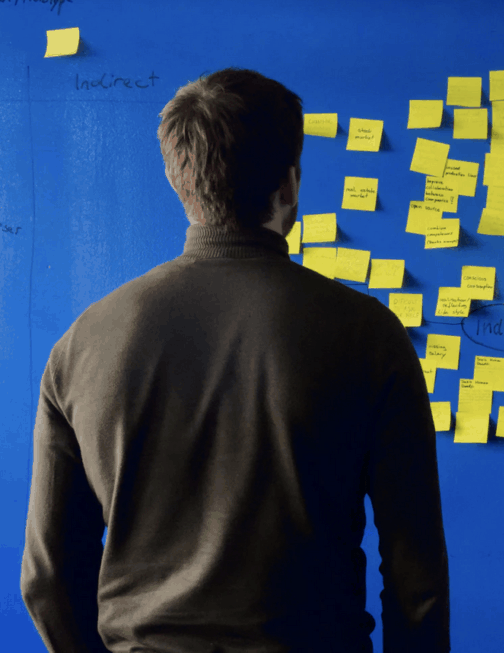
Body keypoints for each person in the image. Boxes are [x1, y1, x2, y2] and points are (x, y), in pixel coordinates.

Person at [20, 67, 450, 652]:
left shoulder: (83, 343)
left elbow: (47, 580)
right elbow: (416, 579)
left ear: (179, 180)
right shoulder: (368, 335)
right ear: (290, 185)